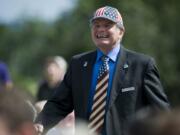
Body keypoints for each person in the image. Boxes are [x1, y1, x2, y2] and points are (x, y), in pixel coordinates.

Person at [35, 6, 170, 135]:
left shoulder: (142, 65)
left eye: (107, 25)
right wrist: (41, 123)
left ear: (121, 32)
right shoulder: (78, 64)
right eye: (97, 25)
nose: (100, 30)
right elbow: (59, 103)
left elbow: (160, 113)